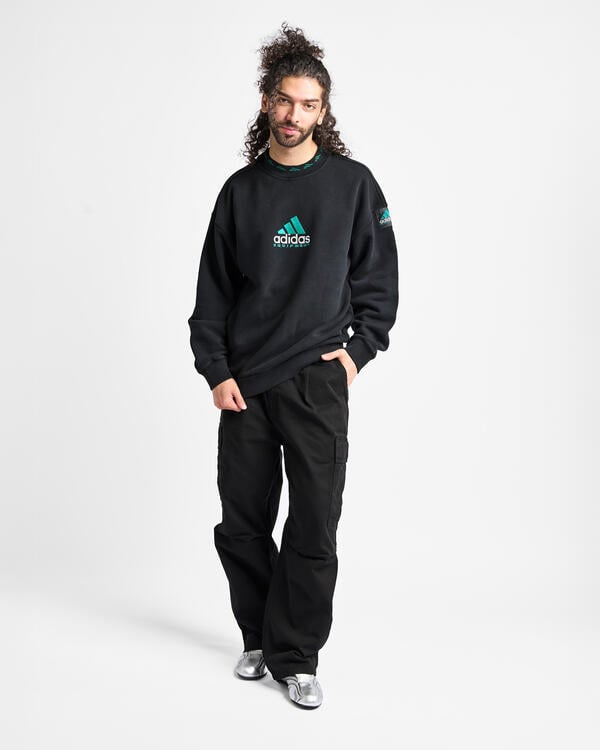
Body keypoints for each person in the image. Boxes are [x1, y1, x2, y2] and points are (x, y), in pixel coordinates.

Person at [187, 22, 399, 709]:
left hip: (316, 381)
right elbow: (213, 294)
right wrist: (216, 370)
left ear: (323, 110)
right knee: (242, 523)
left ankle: (297, 655)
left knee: (313, 525)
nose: (293, 114)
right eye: (284, 100)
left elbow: (379, 282)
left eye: (308, 104)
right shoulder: (240, 192)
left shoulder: (354, 186)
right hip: (245, 385)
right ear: (266, 101)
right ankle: (258, 636)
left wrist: (356, 355)